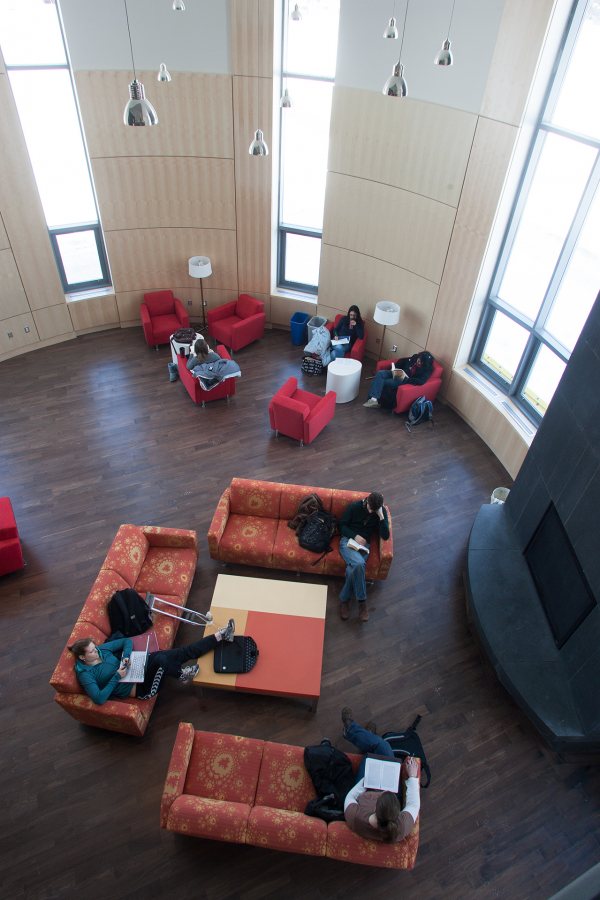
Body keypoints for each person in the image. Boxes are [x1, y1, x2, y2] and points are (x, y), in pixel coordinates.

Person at [69, 619, 235, 704]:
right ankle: (181, 674)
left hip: (140, 665)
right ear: (83, 658)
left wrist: (126, 657)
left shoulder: (101, 650)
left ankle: (220, 636)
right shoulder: (85, 674)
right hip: (141, 687)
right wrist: (117, 677)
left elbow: (127, 642)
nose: (97, 651)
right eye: (92, 651)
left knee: (184, 652)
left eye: (95, 647)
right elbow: (98, 699)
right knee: (162, 658)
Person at [341, 706, 420, 843]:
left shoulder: (355, 817)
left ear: (375, 808)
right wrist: (412, 777)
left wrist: (366, 780)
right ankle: (366, 736)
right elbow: (413, 805)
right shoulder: (400, 828)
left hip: (366, 787)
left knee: (376, 753)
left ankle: (352, 731)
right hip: (385, 789)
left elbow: (350, 798)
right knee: (384, 748)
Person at [338, 492, 390, 622]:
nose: (371, 511)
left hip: (363, 547)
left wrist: (381, 517)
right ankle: (362, 602)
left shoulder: (379, 511)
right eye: (370, 508)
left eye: (374, 510)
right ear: (366, 501)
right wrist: (355, 535)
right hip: (348, 541)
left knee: (353, 569)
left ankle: (345, 600)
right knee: (360, 564)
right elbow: (341, 525)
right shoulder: (354, 507)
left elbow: (385, 535)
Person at [363, 350, 434, 408]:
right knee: (380, 373)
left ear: (424, 364)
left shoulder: (428, 369)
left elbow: (421, 381)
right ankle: (374, 399)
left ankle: (372, 398)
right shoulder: (415, 357)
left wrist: (406, 379)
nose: (418, 362)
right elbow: (403, 360)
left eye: (420, 363)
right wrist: (395, 368)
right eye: (419, 360)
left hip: (404, 380)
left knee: (383, 381)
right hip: (399, 373)